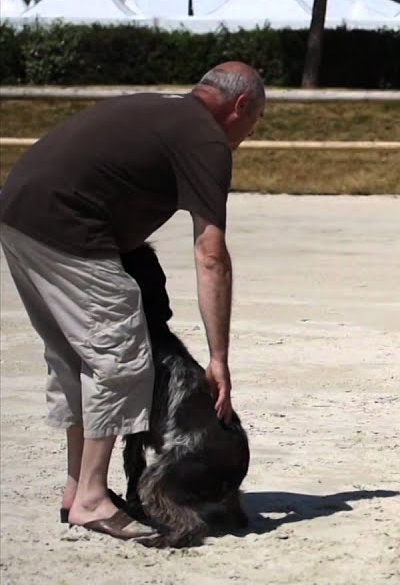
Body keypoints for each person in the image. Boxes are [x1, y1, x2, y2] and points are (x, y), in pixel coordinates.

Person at [0, 62, 266, 542]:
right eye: (255, 124)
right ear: (240, 106)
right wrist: (219, 357)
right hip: (68, 227)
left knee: (75, 355)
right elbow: (211, 256)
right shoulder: (206, 139)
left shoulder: (162, 109)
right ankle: (91, 499)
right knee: (119, 355)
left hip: (18, 214)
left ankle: (75, 488)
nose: (248, 137)